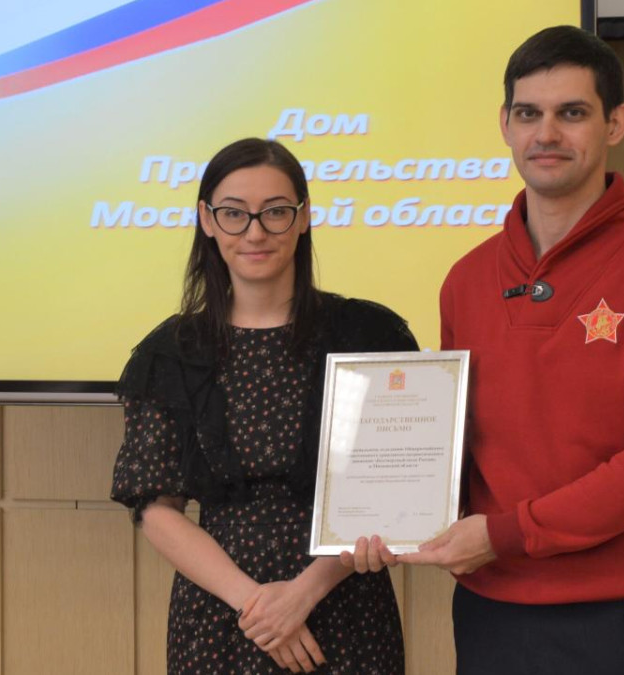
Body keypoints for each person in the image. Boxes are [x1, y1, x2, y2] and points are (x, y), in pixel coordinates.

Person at [346, 26, 624, 674]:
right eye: (528, 114)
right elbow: (455, 441)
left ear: (616, 123)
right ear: (505, 124)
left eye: (571, 113)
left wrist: (505, 533)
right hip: (491, 612)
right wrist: (387, 514)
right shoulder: (467, 278)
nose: (546, 134)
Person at [111, 138, 415, 674]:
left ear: (304, 217)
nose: (255, 233)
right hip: (222, 615)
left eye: (275, 212)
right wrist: (257, 606)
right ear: (207, 219)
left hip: (344, 607)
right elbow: (156, 509)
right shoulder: (172, 352)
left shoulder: (368, 334)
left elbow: (391, 487)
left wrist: (303, 593)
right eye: (234, 213)